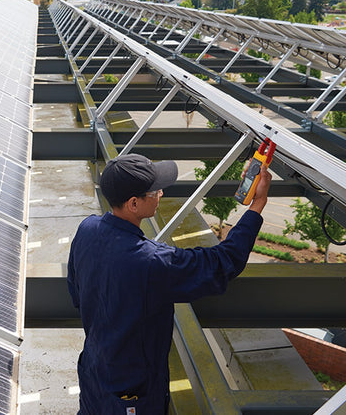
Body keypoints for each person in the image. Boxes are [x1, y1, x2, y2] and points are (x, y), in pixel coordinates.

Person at [67, 153, 272, 414]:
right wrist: (257, 204)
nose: (161, 193)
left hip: (93, 374)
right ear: (133, 203)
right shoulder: (151, 262)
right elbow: (222, 263)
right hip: (131, 395)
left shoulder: (87, 229)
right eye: (154, 191)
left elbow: (76, 293)